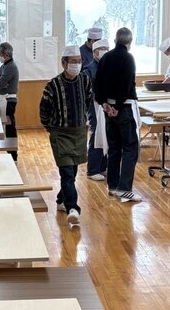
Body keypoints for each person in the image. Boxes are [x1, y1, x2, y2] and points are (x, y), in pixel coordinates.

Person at [40, 45, 93, 227]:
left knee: (73, 171)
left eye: (79, 61)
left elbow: (88, 102)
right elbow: (44, 108)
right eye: (73, 62)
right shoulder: (53, 85)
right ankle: (73, 209)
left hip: (78, 132)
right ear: (64, 63)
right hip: (60, 133)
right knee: (67, 172)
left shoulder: (85, 81)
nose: (77, 65)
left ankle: (61, 199)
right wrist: (49, 126)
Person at [95, 28, 143, 203]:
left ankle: (113, 186)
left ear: (115, 40)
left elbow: (97, 83)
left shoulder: (106, 57)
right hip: (123, 108)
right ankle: (124, 189)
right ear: (129, 42)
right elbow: (126, 84)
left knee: (114, 148)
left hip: (108, 109)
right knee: (130, 148)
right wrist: (118, 105)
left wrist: (105, 104)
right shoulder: (128, 58)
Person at [85, 38, 110, 181]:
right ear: (95, 52)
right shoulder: (89, 68)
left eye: (107, 48)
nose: (105, 52)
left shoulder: (107, 66)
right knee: (96, 134)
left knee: (105, 135)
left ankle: (102, 167)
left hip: (105, 105)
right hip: (94, 105)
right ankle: (92, 169)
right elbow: (87, 89)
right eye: (102, 49)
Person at [0, 41, 19, 160]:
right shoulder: (4, 66)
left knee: (9, 126)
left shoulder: (11, 67)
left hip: (8, 100)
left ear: (7, 54)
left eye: (0, 53)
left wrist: (0, 80)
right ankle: (9, 152)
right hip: (3, 99)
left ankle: (13, 155)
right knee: (4, 126)